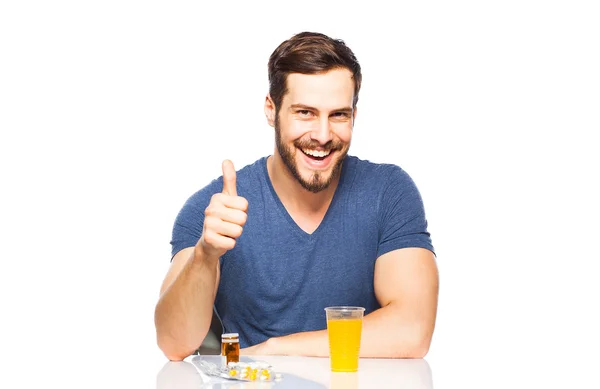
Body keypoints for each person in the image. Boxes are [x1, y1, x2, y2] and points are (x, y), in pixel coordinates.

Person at [154, 31, 439, 361]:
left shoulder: (389, 192)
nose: (322, 135)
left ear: (353, 116)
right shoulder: (216, 209)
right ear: (271, 111)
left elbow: (412, 330)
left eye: (338, 115)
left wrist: (277, 348)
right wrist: (205, 254)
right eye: (305, 112)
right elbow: (174, 344)